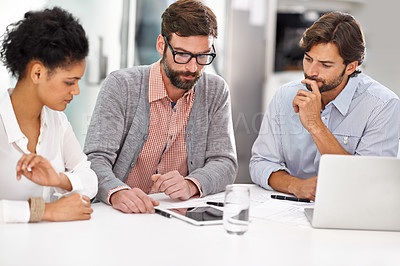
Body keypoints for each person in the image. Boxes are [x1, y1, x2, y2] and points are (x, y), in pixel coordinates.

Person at [84, 0, 237, 214]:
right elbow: (94, 159)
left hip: (178, 215)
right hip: (122, 214)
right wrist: (117, 192)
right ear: (161, 45)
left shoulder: (215, 90)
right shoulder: (122, 85)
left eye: (202, 56)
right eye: (182, 54)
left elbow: (224, 162)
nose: (193, 67)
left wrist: (190, 184)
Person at [250, 12, 400, 201]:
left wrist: (315, 125)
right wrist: (296, 186)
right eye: (308, 59)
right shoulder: (285, 95)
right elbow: (260, 163)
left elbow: (372, 183)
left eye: (325, 65)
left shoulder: (382, 106)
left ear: (351, 67)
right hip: (288, 211)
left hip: (352, 211)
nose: (311, 71)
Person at [0, 7, 98, 223]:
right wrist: (45, 211)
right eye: (69, 82)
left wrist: (60, 179)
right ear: (37, 73)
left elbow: (90, 180)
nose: (76, 91)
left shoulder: (57, 121)